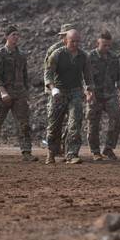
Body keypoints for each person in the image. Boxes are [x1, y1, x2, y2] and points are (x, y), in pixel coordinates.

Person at [0, 27, 35, 162]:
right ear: (6, 37)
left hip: (19, 93)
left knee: (24, 123)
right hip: (0, 93)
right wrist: (3, 92)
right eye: (13, 35)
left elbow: (25, 76)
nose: (16, 37)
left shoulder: (21, 55)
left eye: (18, 35)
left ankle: (26, 152)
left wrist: (26, 94)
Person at [43, 24, 91, 164]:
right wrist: (52, 88)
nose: (75, 44)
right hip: (59, 93)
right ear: (65, 40)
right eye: (72, 41)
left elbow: (88, 76)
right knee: (54, 124)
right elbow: (48, 73)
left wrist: (89, 90)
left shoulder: (83, 56)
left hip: (75, 92)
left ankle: (71, 154)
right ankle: (51, 152)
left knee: (75, 123)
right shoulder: (57, 54)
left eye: (77, 41)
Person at [85, 30, 120, 160]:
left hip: (110, 94)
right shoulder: (90, 57)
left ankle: (108, 148)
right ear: (98, 43)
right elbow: (84, 78)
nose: (106, 48)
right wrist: (88, 93)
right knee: (93, 123)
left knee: (116, 118)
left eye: (108, 45)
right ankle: (95, 151)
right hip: (95, 95)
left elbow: (119, 77)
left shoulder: (114, 57)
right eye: (104, 45)